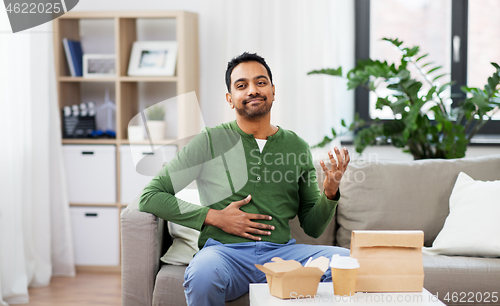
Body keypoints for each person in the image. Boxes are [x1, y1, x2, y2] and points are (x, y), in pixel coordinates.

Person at [139, 52, 351, 305]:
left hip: (282, 256)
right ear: (230, 99)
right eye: (242, 85)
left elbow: (313, 227)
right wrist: (214, 217)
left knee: (347, 262)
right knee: (202, 274)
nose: (253, 90)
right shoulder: (209, 140)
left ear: (273, 91)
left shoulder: (297, 147)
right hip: (223, 254)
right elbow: (150, 196)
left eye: (261, 83)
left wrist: (329, 193)